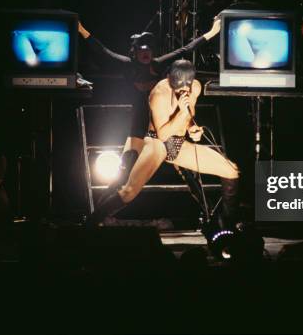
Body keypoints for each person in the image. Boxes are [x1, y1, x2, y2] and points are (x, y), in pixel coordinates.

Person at [90, 59, 240, 227]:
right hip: (157, 142)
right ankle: (90, 224)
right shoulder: (159, 93)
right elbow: (163, 134)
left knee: (231, 170)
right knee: (129, 191)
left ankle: (228, 226)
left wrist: (193, 129)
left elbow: (189, 117)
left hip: (178, 143)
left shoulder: (195, 87)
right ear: (169, 78)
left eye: (185, 87)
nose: (182, 91)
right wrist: (182, 114)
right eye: (177, 87)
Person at [78, 18, 222, 186]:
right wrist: (81, 29)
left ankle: (209, 211)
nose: (145, 53)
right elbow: (102, 51)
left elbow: (186, 49)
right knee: (126, 167)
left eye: (148, 50)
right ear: (135, 52)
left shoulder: (159, 64)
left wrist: (212, 33)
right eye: (141, 50)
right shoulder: (127, 65)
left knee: (186, 171)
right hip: (140, 121)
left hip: (163, 123)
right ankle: (108, 207)